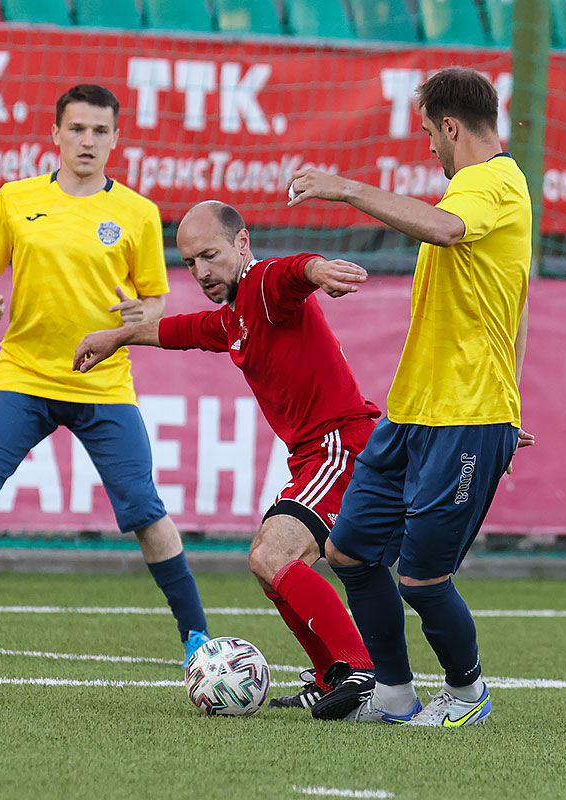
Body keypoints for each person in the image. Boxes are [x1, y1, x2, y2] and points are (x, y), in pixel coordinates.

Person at [0, 84, 210, 667]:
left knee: (144, 508)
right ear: (55, 133)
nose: (87, 141)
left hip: (104, 385)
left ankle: (198, 639)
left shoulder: (137, 213)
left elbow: (155, 300)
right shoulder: (15, 200)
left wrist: (143, 314)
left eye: (99, 131)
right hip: (23, 378)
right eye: (76, 129)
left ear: (116, 139)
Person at [285, 66, 535, 727]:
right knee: (348, 551)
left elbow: (444, 229)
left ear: (451, 126)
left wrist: (344, 188)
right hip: (412, 413)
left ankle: (468, 694)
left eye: (428, 132)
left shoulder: (493, 182)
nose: (427, 146)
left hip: (464, 418)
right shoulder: (472, 192)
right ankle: (394, 692)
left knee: (421, 578)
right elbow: (506, 305)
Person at [74, 200, 378, 710]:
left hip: (338, 445)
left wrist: (318, 269)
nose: (201, 272)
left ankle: (361, 671)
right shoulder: (235, 317)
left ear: (241, 242)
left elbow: (290, 273)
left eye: (210, 256)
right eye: (190, 262)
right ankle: (332, 677)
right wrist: (119, 336)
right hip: (315, 453)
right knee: (266, 563)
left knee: (271, 555)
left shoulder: (260, 286)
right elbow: (179, 331)